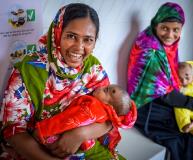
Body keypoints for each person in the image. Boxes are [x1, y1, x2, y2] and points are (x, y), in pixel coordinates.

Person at [0, 3, 125, 160]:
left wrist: (80, 134)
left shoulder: (93, 69)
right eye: (71, 36)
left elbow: (112, 116)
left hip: (86, 149)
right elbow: (13, 132)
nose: (79, 47)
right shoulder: (29, 69)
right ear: (57, 33)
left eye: (88, 40)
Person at [127, 2, 193, 160]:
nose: (170, 35)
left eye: (176, 30)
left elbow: (171, 81)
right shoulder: (151, 50)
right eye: (165, 28)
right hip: (146, 108)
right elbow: (166, 95)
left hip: (160, 99)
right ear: (156, 24)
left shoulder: (165, 44)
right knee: (182, 135)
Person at [34, 84, 137, 159]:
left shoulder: (92, 108)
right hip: (84, 146)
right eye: (107, 87)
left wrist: (42, 131)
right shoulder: (105, 114)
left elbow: (67, 120)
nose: (101, 87)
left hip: (62, 143)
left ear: (109, 106)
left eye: (105, 90)